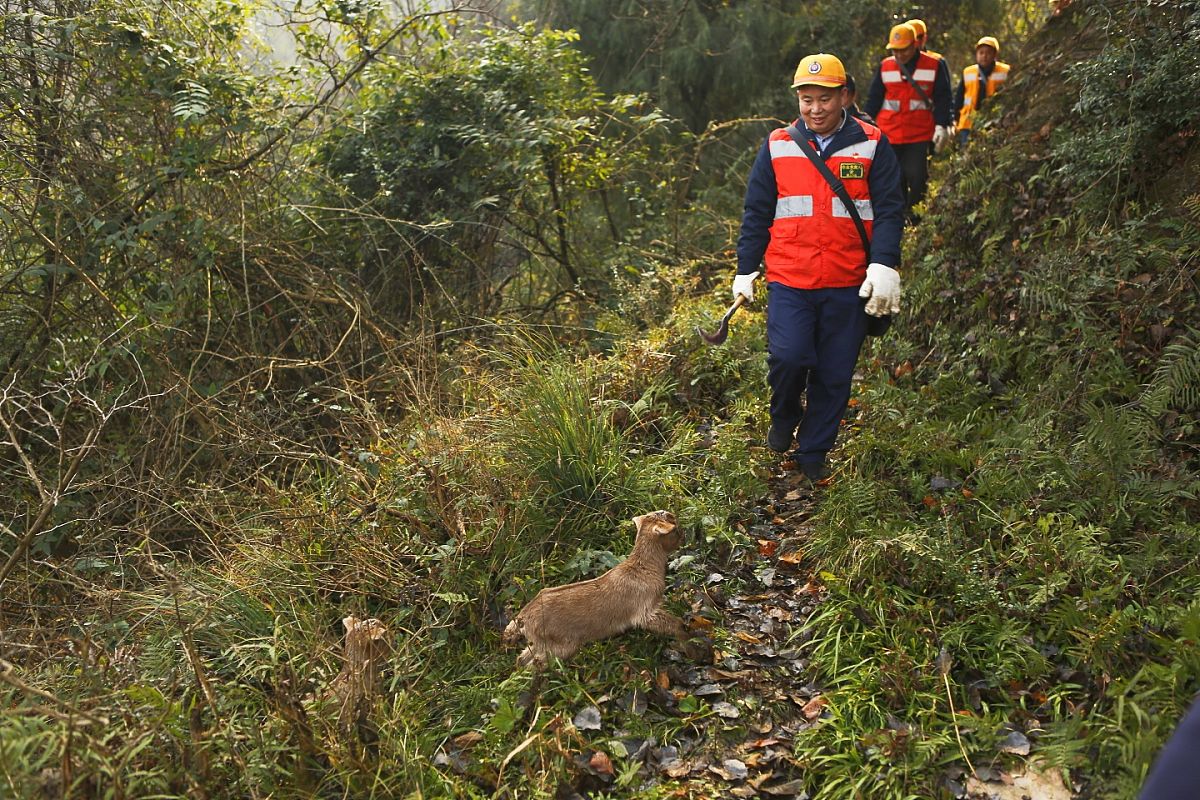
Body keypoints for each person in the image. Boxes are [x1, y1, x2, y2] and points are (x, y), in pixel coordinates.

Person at [732, 53, 904, 483]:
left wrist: (883, 263)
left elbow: (889, 209)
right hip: (792, 277)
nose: (815, 109)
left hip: (849, 281)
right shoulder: (777, 144)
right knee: (788, 358)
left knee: (834, 374)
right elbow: (757, 211)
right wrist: (745, 268)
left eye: (824, 99)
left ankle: (813, 451)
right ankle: (785, 413)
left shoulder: (872, 142)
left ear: (843, 95)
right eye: (807, 99)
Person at [864, 23, 953, 224]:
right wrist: (865, 125)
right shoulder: (885, 66)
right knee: (895, 178)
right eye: (895, 50)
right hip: (889, 133)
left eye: (903, 49)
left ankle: (915, 216)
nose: (899, 54)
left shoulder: (934, 65)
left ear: (915, 44)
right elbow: (874, 98)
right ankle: (900, 216)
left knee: (918, 176)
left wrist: (942, 125)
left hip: (919, 134)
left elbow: (943, 97)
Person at [954, 36, 1011, 145]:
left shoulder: (1005, 71)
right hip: (968, 123)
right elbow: (959, 98)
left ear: (995, 55)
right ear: (977, 54)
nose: (984, 56)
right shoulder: (968, 72)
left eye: (988, 53)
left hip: (994, 122)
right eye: (981, 52)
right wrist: (955, 120)